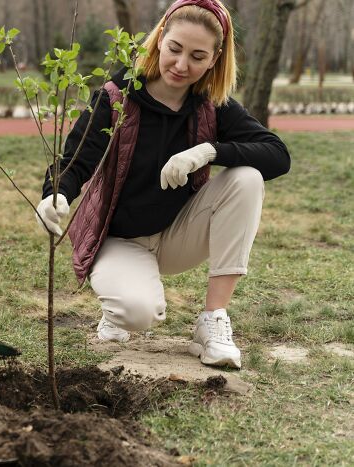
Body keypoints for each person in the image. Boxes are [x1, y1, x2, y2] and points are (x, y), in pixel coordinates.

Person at [36, 0, 290, 370]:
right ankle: (118, 311)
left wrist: (208, 151)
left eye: (198, 56)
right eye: (174, 48)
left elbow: (277, 155)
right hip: (120, 240)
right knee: (139, 313)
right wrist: (54, 194)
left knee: (247, 177)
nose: (182, 65)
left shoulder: (212, 105)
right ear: (159, 39)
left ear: (215, 59)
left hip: (178, 236)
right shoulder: (116, 97)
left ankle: (212, 320)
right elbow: (75, 163)